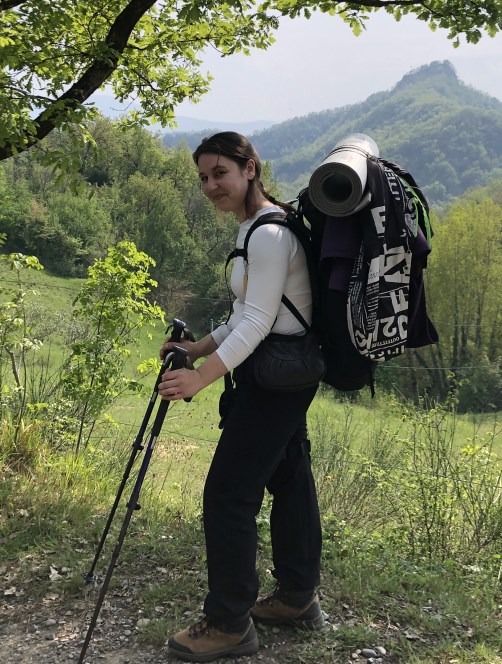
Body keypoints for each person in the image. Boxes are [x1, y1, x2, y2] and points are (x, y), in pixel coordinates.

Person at [157, 131, 326, 662]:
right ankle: (298, 597)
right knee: (289, 478)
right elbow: (244, 314)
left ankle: (230, 623)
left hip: (276, 379)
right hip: (281, 373)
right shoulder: (255, 228)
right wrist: (197, 347)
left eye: (220, 173)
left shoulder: (269, 235)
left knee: (228, 494)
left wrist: (200, 377)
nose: (210, 186)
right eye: (203, 177)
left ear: (250, 168)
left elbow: (257, 322)